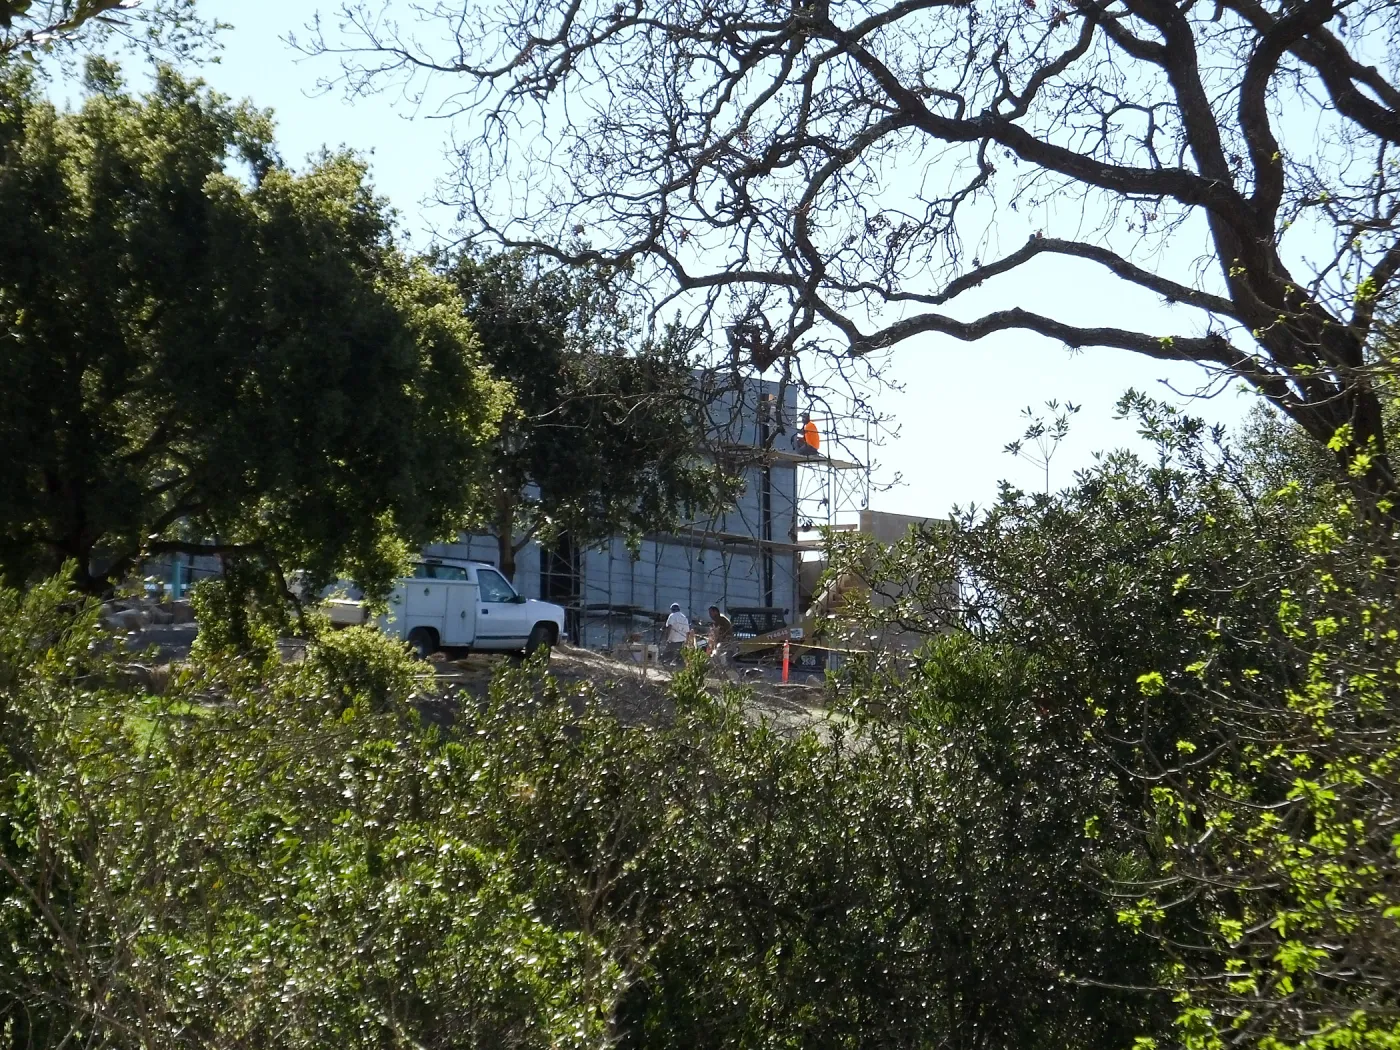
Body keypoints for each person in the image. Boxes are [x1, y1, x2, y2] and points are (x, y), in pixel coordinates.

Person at [707, 604, 736, 676]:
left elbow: (718, 633)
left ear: (715, 612)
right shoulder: (721, 619)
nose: (710, 615)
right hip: (725, 642)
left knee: (717, 656)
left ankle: (722, 672)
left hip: (725, 642)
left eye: (711, 613)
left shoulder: (719, 620)